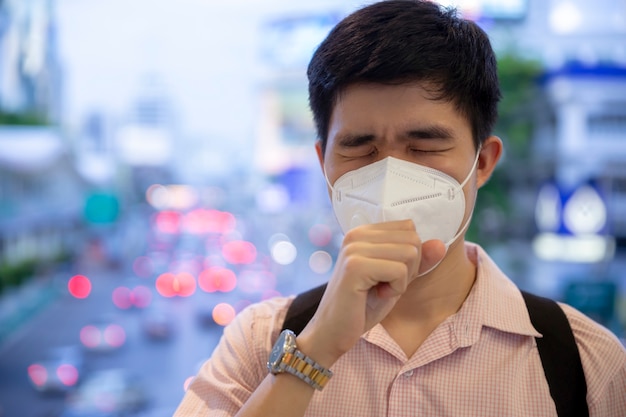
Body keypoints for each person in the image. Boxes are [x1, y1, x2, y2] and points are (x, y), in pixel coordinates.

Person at [174, 1, 626, 416]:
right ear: (323, 163)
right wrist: (314, 352)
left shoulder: (585, 363)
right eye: (361, 149)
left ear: (483, 162)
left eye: (424, 146)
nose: (392, 174)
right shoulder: (258, 342)